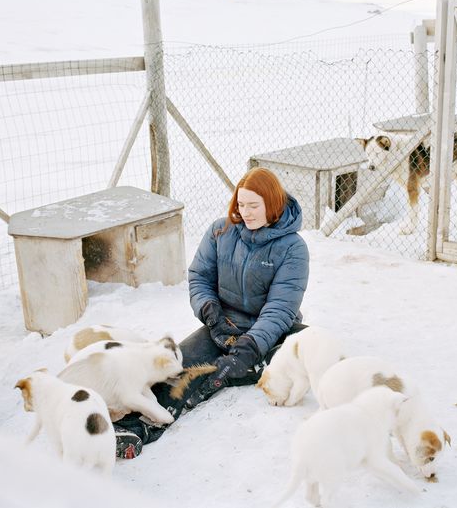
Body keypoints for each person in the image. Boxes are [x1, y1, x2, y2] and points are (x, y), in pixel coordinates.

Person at [114, 167, 310, 458]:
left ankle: (255, 363)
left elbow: (281, 307)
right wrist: (210, 311)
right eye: (241, 204)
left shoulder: (293, 248)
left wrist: (252, 345)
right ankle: (135, 426)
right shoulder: (221, 232)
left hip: (273, 330)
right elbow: (199, 277)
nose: (246, 212)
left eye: (254, 205)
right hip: (224, 325)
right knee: (175, 369)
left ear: (273, 203)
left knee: (305, 354)